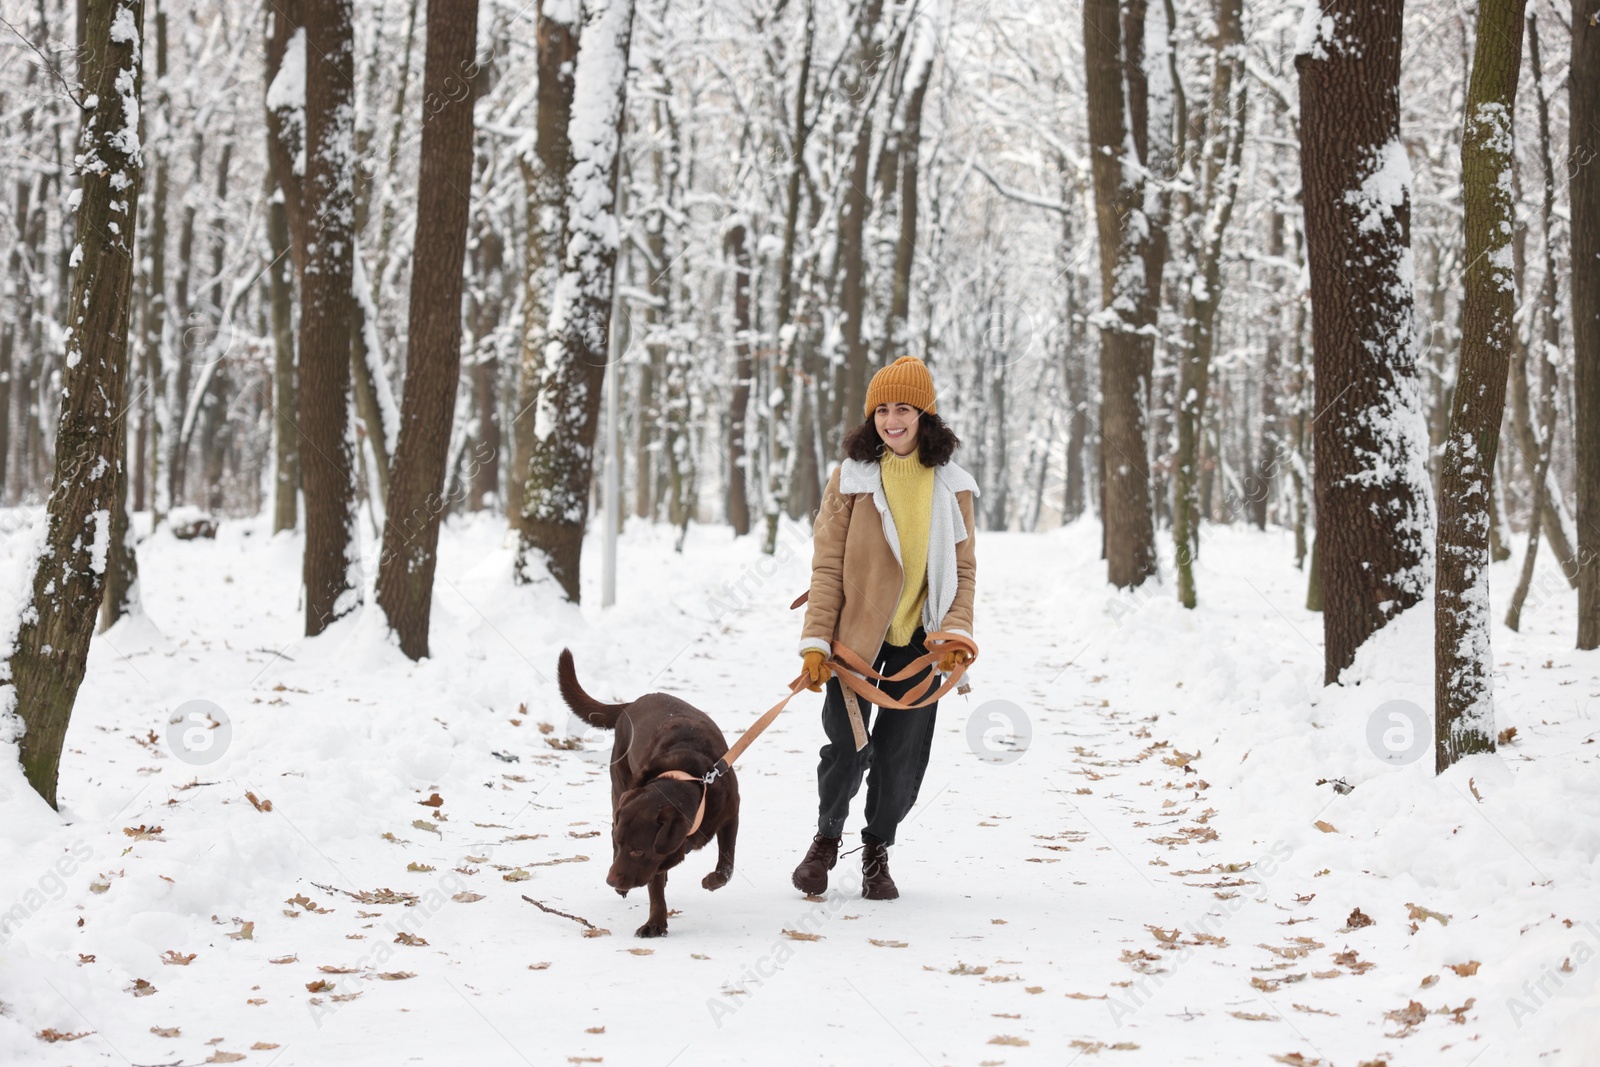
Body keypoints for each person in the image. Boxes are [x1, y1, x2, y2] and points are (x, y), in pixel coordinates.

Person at [791, 356, 978, 900]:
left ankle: (877, 851)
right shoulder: (849, 481)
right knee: (847, 749)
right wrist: (815, 642)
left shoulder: (953, 486)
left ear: (925, 414)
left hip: (921, 645)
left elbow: (963, 572)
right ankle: (826, 841)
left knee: (901, 759)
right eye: (882, 410)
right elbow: (827, 567)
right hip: (855, 641)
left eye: (904, 408)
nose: (892, 420)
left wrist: (956, 638)